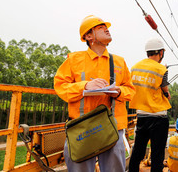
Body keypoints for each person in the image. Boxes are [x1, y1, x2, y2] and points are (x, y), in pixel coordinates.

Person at [54, 15, 136, 172]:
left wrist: (119, 91)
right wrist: (85, 86)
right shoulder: (74, 60)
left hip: (113, 127)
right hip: (82, 127)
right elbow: (60, 86)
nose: (106, 29)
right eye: (100, 27)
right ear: (88, 36)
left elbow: (130, 90)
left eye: (106, 27)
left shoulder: (119, 62)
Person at [128, 38, 171, 172]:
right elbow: (165, 91)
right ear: (161, 52)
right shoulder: (162, 68)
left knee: (137, 151)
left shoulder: (134, 68)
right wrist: (168, 95)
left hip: (141, 114)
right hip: (159, 116)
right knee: (157, 154)